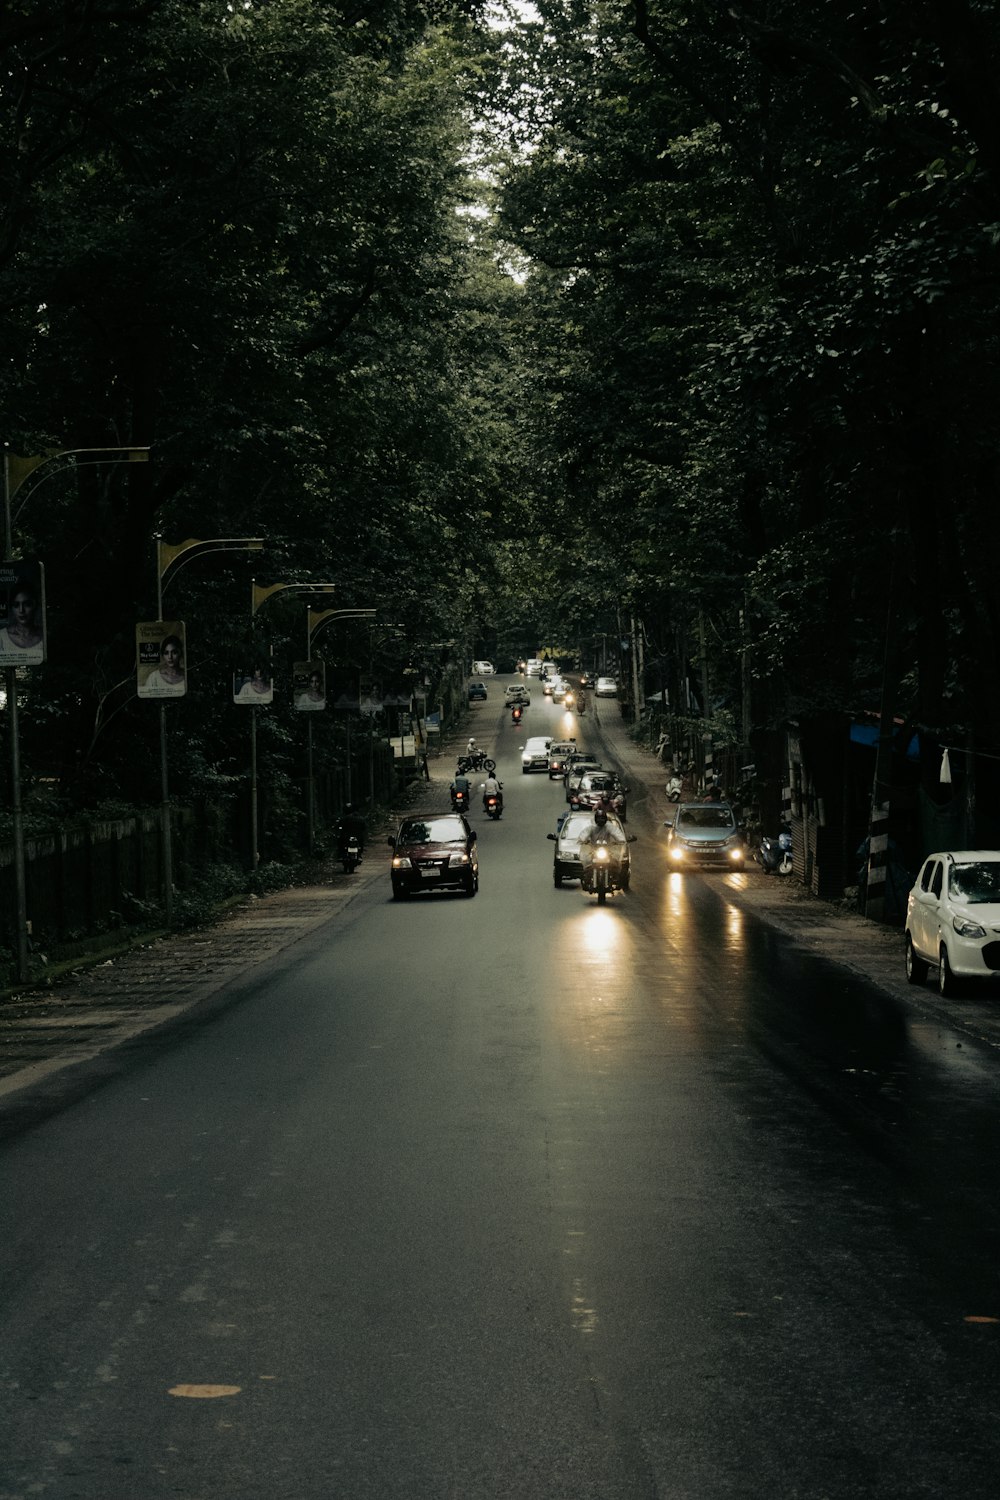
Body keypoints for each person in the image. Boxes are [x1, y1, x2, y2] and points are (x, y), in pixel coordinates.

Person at [577, 807, 627, 886]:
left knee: (615, 862)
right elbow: (585, 833)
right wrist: (582, 840)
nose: (600, 820)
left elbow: (616, 833)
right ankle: (587, 877)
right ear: (596, 819)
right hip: (594, 849)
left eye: (602, 818)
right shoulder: (592, 827)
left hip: (607, 849)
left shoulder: (609, 826)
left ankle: (615, 877)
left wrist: (621, 840)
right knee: (587, 861)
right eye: (599, 818)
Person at [0, 580, 44, 661]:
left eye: (27, 604)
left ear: (35, 605)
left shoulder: (43, 636)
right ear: (11, 608)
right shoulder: (2, 637)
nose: (21, 610)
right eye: (16, 605)